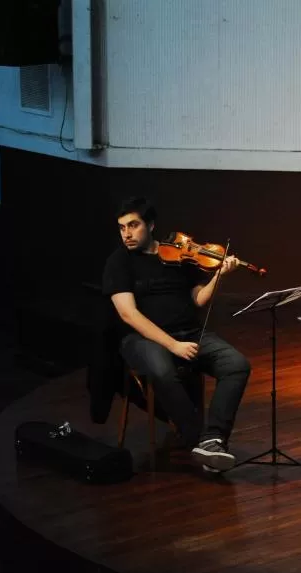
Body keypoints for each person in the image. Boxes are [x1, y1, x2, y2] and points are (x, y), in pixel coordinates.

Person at [102, 197, 252, 475]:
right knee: (162, 369)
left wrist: (219, 277)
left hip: (190, 332)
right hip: (142, 339)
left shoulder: (176, 254)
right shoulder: (119, 262)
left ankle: (214, 438)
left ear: (151, 225)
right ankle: (200, 440)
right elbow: (128, 315)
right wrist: (173, 345)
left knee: (237, 364)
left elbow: (198, 300)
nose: (127, 234)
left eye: (133, 226)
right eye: (122, 228)